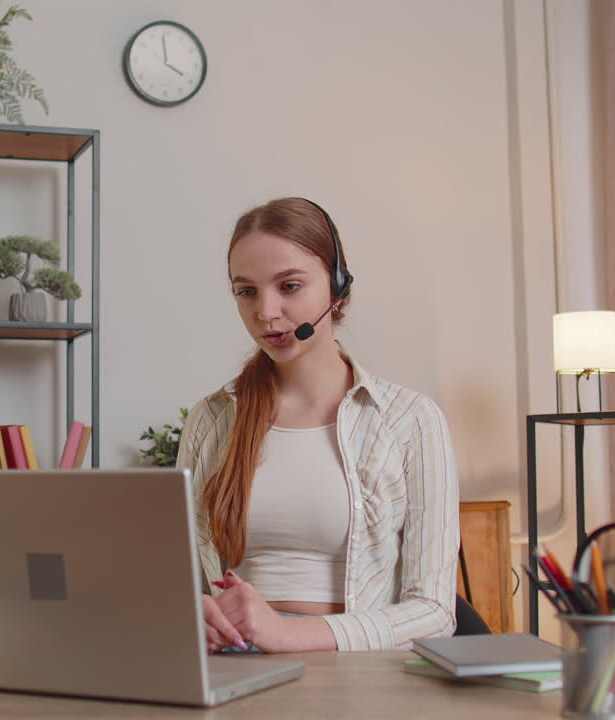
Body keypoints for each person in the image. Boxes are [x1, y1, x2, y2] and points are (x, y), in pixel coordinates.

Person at [176, 197, 460, 653]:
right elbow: (180, 582)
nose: (266, 312)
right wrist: (196, 615)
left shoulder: (410, 420)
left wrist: (288, 634)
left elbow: (433, 612)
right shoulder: (211, 420)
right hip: (234, 667)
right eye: (246, 291)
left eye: (288, 286)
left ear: (337, 287)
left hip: (355, 673)